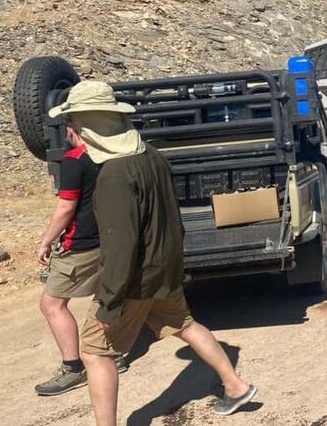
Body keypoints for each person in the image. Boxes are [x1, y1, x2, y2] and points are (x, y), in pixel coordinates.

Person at [48, 81, 257, 425]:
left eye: (74, 122)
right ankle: (235, 386)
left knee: (94, 352)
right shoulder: (151, 155)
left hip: (134, 280)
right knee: (185, 324)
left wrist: (110, 301)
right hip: (163, 268)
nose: (71, 129)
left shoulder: (113, 175)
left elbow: (121, 246)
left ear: (88, 126)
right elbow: (170, 218)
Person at [35, 124, 127, 396]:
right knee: (103, 296)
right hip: (113, 239)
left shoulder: (75, 160)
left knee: (52, 304)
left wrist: (46, 241)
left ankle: (73, 367)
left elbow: (66, 208)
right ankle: (112, 354)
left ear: (73, 128)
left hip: (81, 243)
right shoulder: (114, 155)